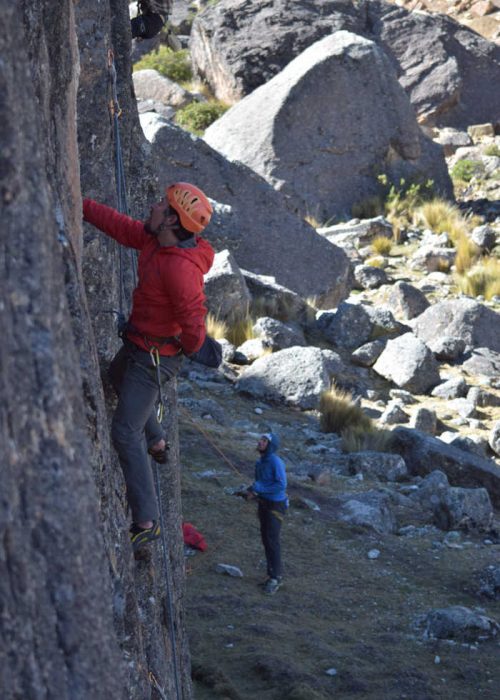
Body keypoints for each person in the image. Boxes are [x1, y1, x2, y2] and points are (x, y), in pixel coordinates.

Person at [83, 182, 215, 550]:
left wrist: (190, 347)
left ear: (172, 220)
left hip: (155, 358)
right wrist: (81, 203)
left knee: (124, 431)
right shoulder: (155, 241)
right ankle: (156, 439)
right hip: (141, 347)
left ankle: (146, 520)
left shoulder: (180, 270)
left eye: (161, 204)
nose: (154, 206)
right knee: (114, 375)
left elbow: (193, 323)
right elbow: (120, 226)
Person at [246, 433, 288, 595]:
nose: (260, 442)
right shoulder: (260, 462)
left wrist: (258, 489)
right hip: (264, 503)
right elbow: (262, 483)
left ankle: (276, 578)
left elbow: (281, 485)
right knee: (266, 539)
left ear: (270, 445)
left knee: (272, 541)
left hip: (275, 506)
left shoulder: (275, 462)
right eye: (260, 439)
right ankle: (271, 574)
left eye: (264, 441)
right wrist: (253, 492)